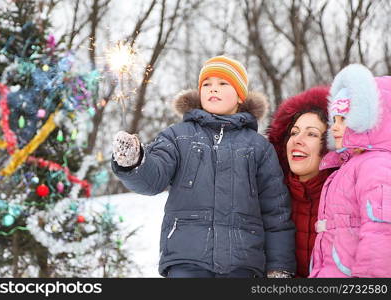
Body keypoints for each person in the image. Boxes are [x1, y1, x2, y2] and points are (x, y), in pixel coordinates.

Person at [111, 56, 296, 278]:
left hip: (242, 264)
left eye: (222, 83)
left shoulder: (258, 147)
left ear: (239, 96)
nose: (212, 89)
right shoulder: (178, 137)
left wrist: (279, 267)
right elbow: (153, 179)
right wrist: (135, 161)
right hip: (187, 259)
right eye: (206, 84)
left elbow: (275, 212)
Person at [309, 64, 391, 277]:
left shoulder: (376, 165)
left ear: (370, 118)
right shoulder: (347, 165)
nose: (334, 127)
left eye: (343, 119)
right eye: (334, 119)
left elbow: (381, 232)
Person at [267, 86, 333, 277]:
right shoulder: (269, 196)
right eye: (294, 132)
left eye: (311, 134)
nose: (298, 140)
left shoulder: (348, 196)